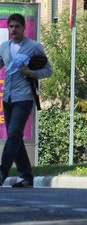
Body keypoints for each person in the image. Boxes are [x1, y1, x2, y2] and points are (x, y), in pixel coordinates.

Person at [0, 13, 52, 187]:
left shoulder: (34, 47)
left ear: (23, 28)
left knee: (14, 133)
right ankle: (26, 176)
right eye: (11, 26)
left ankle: (2, 171)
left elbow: (48, 70)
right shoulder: (4, 47)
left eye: (17, 26)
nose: (13, 30)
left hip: (24, 97)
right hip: (7, 96)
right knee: (15, 137)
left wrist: (32, 73)